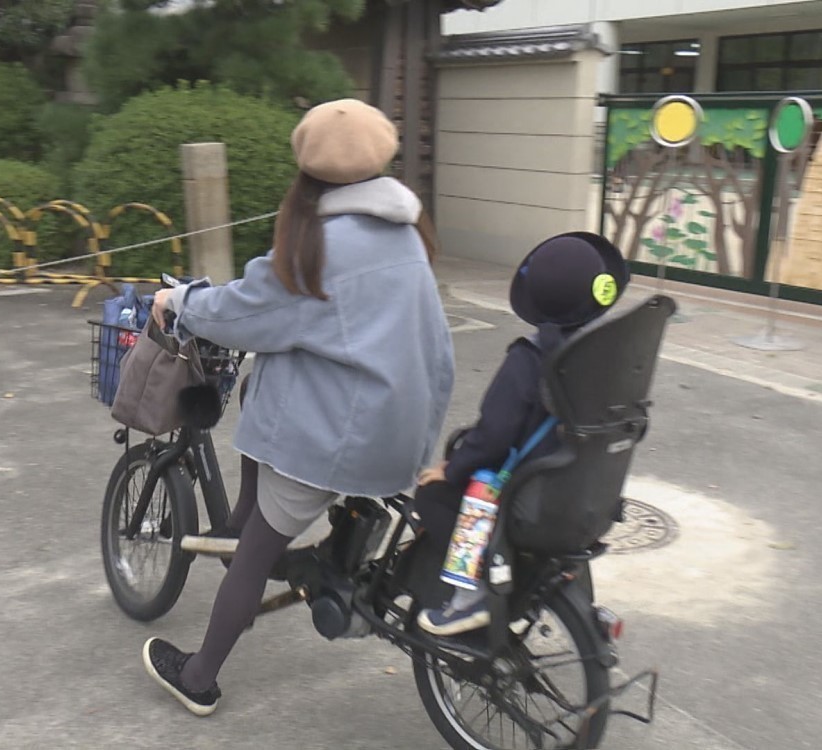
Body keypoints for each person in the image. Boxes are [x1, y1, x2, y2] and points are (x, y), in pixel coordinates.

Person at [142, 99, 455, 716]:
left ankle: (199, 676)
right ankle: (257, 530)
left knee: (256, 551)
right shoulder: (407, 230)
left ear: (307, 171)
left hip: (343, 437)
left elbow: (241, 313)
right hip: (406, 425)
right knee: (273, 381)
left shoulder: (319, 243)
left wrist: (178, 299)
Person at [414, 231, 628, 637]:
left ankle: (471, 594)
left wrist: (452, 468)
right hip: (582, 493)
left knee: (435, 495)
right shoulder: (605, 354)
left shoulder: (530, 360)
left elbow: (494, 436)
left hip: (527, 498)